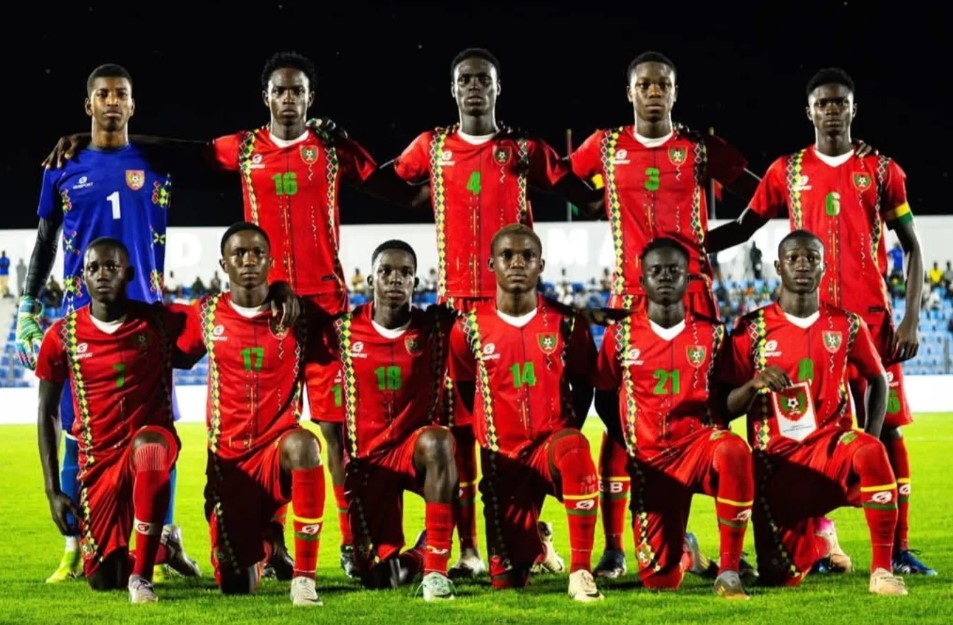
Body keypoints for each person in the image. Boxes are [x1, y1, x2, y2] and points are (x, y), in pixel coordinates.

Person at [44, 52, 422, 578]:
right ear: (265, 96)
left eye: (297, 91)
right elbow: (187, 151)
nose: (288, 98)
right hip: (262, 309)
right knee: (269, 427)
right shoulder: (244, 148)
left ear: (310, 98)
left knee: (337, 430)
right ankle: (273, 542)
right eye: (279, 90)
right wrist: (93, 141)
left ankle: (355, 544)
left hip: (324, 310)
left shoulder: (331, 149)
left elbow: (397, 190)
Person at [707, 67, 933, 576]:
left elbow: (913, 247)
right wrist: (691, 246)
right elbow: (744, 227)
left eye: (840, 103)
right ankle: (821, 541)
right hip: (807, 328)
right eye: (823, 104)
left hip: (870, 324)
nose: (832, 111)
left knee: (888, 433)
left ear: (853, 109)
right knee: (805, 434)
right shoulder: (786, 170)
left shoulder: (882, 169)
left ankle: (898, 549)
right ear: (808, 111)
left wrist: (911, 319)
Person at [388, 48, 600, 577]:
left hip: (520, 309)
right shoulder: (433, 147)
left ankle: (534, 532)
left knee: (536, 425)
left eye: (484, 79)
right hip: (458, 311)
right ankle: (466, 548)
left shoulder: (523, 149)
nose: (474, 87)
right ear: (453, 89)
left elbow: (584, 193)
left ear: (498, 87)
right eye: (465, 79)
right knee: (459, 434)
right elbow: (386, 182)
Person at [568, 50, 760, 579]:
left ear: (675, 92)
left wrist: (716, 240)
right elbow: (560, 180)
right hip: (631, 296)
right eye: (645, 85)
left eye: (663, 85)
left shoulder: (698, 148)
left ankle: (709, 535)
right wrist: (596, 204)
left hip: (693, 294)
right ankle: (615, 546)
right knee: (619, 424)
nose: (654, 92)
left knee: (707, 416)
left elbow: (761, 193)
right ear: (629, 92)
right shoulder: (605, 146)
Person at [17, 63, 197, 584]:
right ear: (88, 104)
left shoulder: (156, 162)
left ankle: (163, 541)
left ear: (133, 105)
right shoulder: (62, 168)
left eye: (121, 94)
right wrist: (28, 304)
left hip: (147, 321)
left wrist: (113, 136)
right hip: (83, 318)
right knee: (78, 432)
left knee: (159, 430)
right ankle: (73, 548)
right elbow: (45, 241)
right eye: (103, 95)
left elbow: (203, 151)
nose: (112, 101)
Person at [716, 230, 907, 596]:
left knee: (871, 452)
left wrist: (869, 435)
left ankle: (882, 571)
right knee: (780, 576)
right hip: (777, 464)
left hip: (832, 451)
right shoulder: (750, 329)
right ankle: (821, 538)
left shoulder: (847, 324)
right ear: (778, 267)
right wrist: (754, 384)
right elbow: (724, 405)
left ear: (824, 267)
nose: (802, 265)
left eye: (811, 258)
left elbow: (878, 379)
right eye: (793, 258)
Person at [34, 238, 197, 603]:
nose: (102, 274)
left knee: (149, 447)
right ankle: (166, 548)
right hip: (99, 463)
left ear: (129, 273)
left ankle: (142, 580)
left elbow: (218, 314)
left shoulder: (159, 322)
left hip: (151, 443)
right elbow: (46, 412)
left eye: (111, 266)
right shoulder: (62, 335)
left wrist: (277, 292)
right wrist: (52, 490)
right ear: (82, 278)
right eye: (93, 268)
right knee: (104, 578)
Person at [448, 224, 603, 602]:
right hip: (503, 462)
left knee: (576, 450)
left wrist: (567, 432)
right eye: (507, 255)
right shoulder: (467, 328)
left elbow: (584, 383)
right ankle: (538, 545)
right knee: (507, 579)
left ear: (541, 265)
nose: (517, 263)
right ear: (491, 264)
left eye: (527, 256)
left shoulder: (567, 322)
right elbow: (467, 389)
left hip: (551, 447)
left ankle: (581, 571)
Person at [593, 238, 753, 598]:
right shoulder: (620, 334)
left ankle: (729, 571)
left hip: (697, 449)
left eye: (673, 270)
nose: (665, 276)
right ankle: (687, 555)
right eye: (656, 271)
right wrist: (630, 445)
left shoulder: (713, 334)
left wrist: (753, 388)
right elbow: (603, 397)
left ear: (688, 279)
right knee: (660, 580)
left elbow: (727, 403)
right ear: (642, 280)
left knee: (733, 451)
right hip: (651, 460)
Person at [175, 223, 326, 606]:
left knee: (305, 445)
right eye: (239, 253)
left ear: (271, 262)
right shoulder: (207, 314)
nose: (248, 260)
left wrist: (287, 290)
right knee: (235, 584)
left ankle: (304, 579)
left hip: (277, 454)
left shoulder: (297, 315)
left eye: (257, 253)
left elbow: (351, 332)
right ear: (223, 264)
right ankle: (269, 545)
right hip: (229, 466)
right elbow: (174, 352)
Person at [316, 240, 458, 600]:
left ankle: (436, 570)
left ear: (416, 283)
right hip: (369, 464)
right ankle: (421, 553)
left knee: (439, 442)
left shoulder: (435, 327)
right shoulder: (342, 332)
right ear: (370, 280)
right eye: (386, 271)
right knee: (378, 576)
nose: (396, 279)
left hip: (413, 452)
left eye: (405, 273)